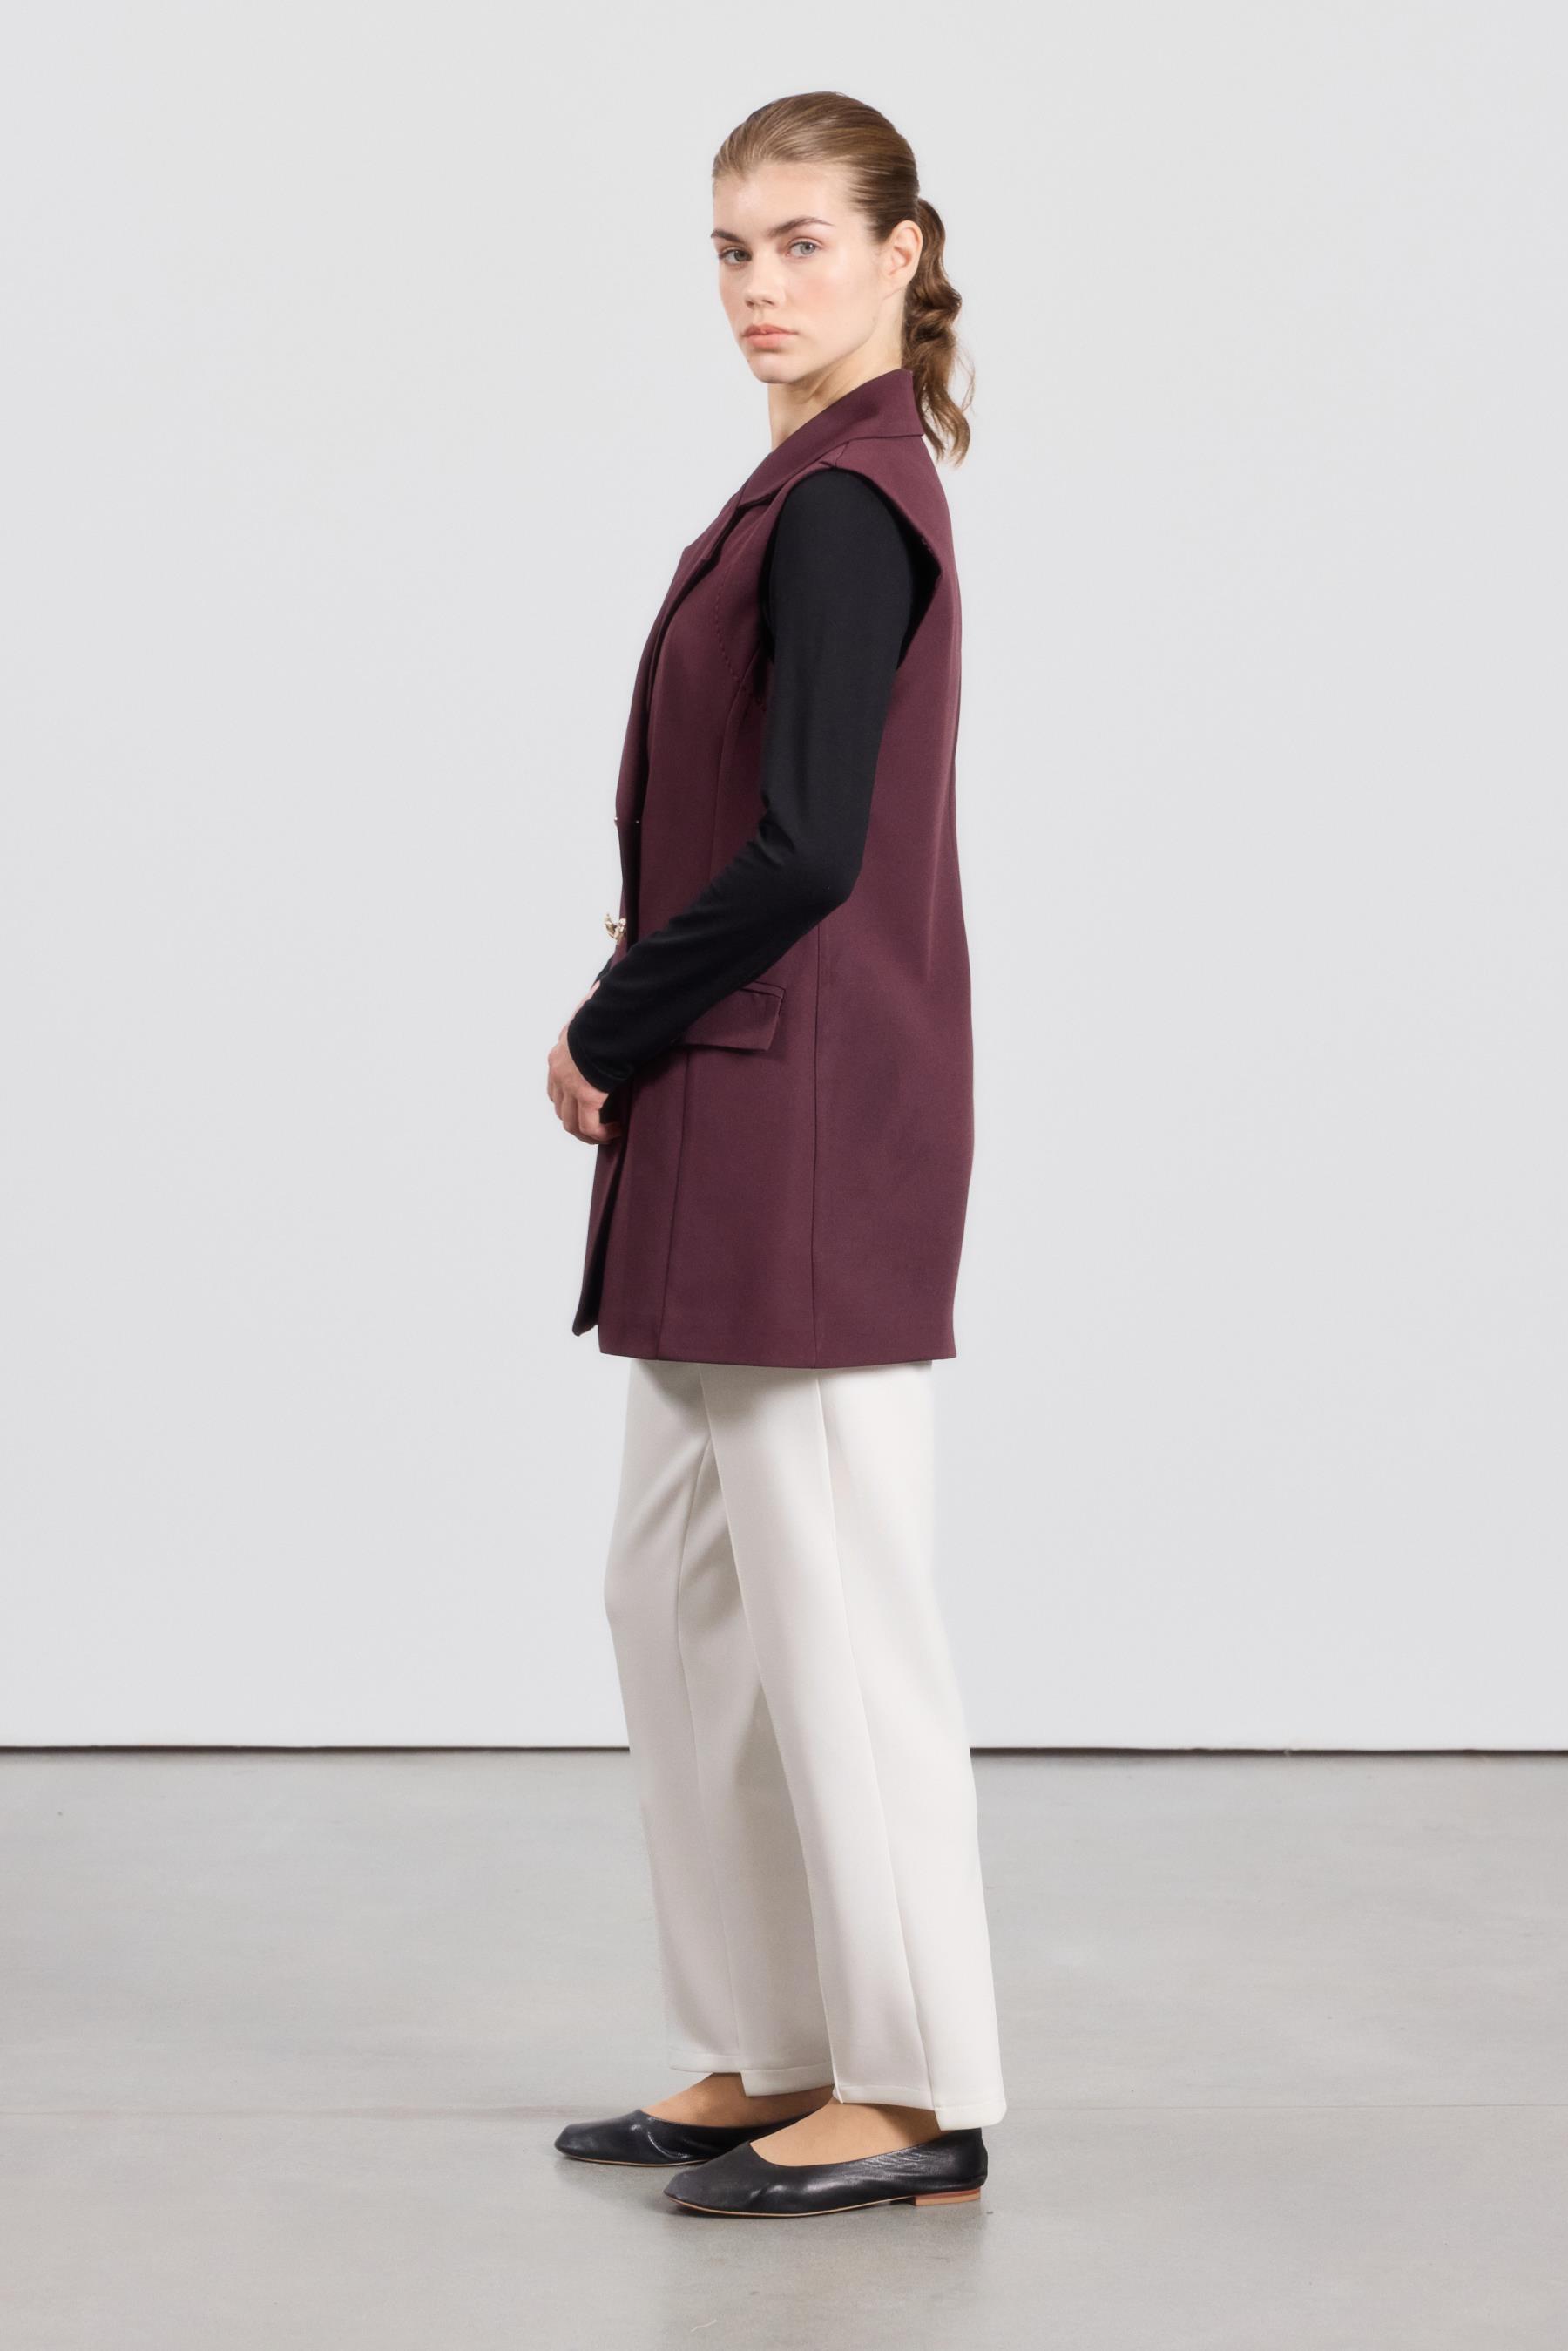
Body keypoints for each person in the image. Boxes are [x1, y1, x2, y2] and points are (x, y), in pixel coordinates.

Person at [544, 91, 1005, 2219]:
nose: (759, 286)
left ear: (902, 253)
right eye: (733, 249)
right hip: (737, 1106)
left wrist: (611, 1015)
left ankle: (911, 2089)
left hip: (801, 1118)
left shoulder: (843, 500)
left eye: (805, 242)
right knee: (681, 1597)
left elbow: (808, 847)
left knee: (834, 1620)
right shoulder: (803, 482)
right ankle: (775, 2041)